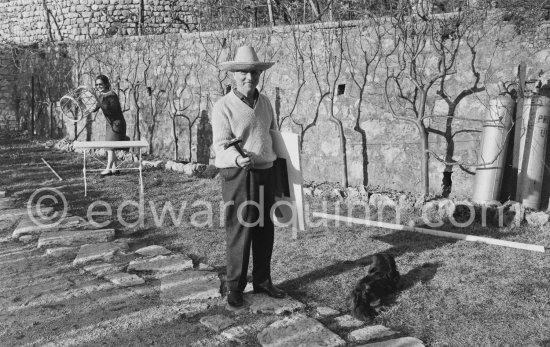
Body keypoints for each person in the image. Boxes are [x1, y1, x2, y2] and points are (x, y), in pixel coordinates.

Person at [212, 46, 286, 308]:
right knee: (240, 229)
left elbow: (272, 134)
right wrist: (236, 158)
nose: (249, 77)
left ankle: (263, 280)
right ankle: (235, 286)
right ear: (233, 75)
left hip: (266, 172)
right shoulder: (222, 107)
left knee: (265, 230)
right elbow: (220, 147)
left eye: (253, 72)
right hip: (239, 176)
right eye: (243, 72)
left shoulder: (264, 102)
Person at [93, 74, 127, 176]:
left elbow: (111, 110)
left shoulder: (111, 95)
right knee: (110, 146)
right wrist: (82, 103)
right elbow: (94, 109)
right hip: (109, 124)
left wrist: (98, 99)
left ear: (106, 84)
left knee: (110, 147)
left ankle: (108, 169)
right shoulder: (101, 95)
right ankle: (114, 168)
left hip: (117, 124)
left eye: (100, 84)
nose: (98, 86)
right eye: (97, 84)